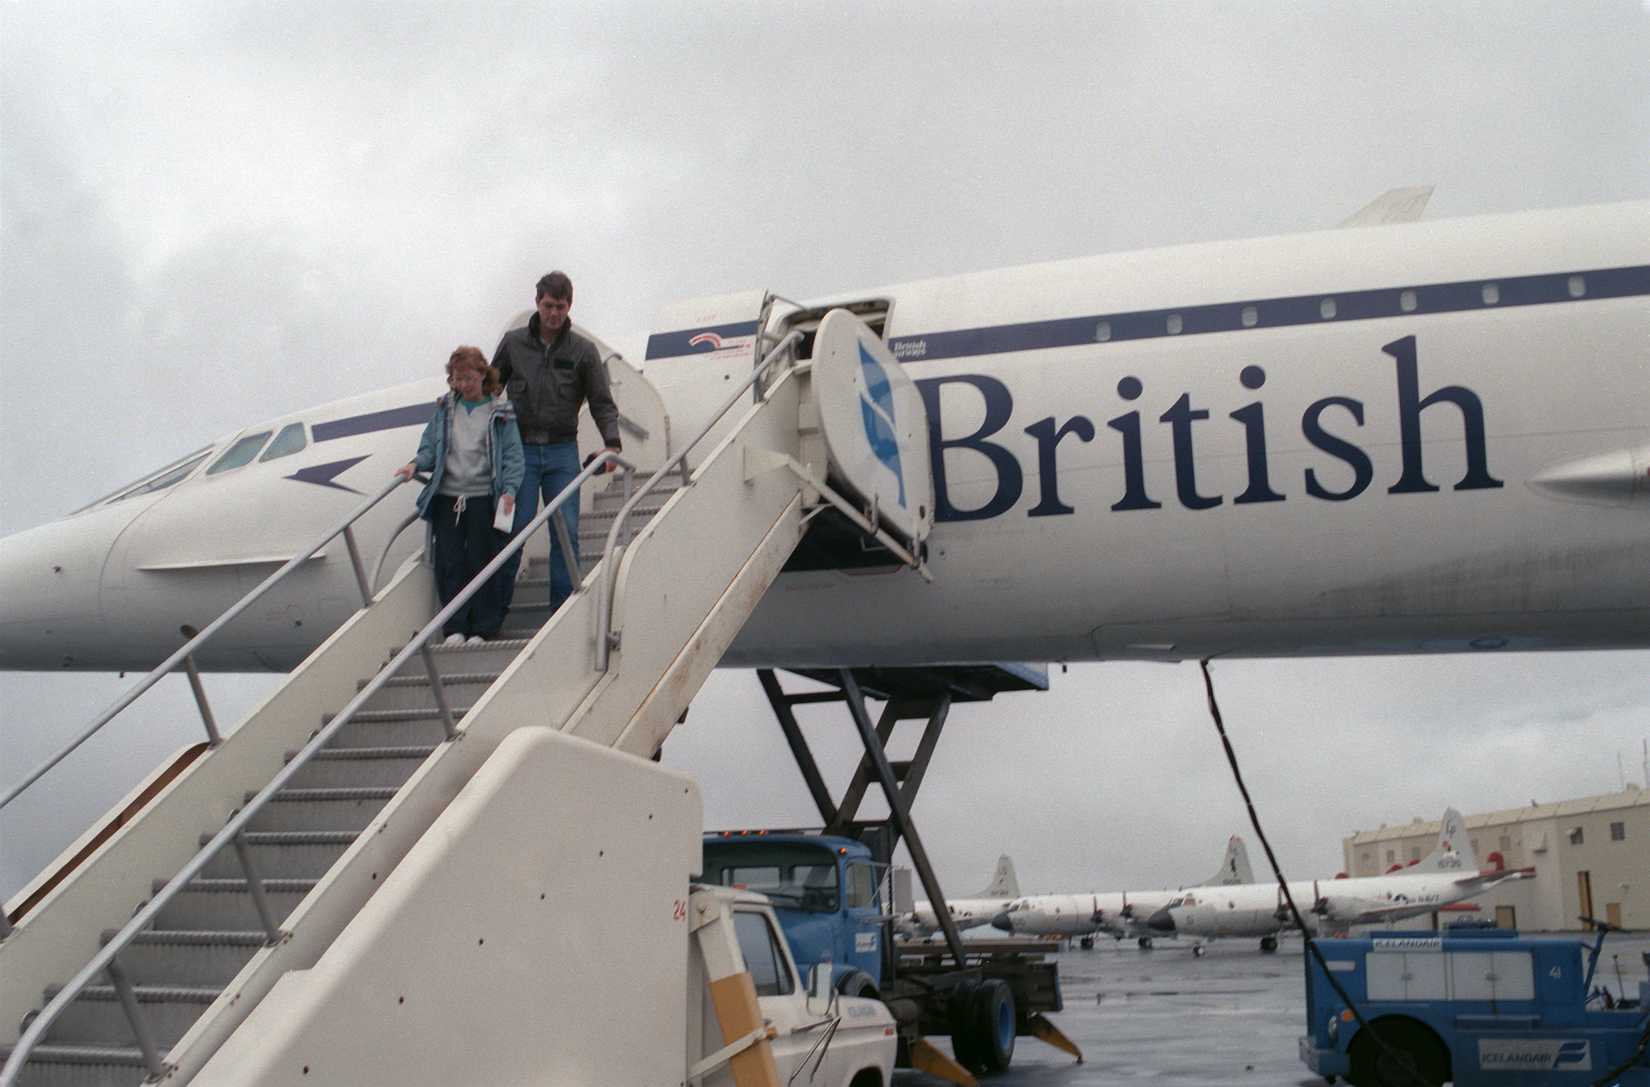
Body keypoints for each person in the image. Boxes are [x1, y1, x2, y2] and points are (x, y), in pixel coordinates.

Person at [492, 270, 621, 613]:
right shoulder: (513, 343)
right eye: (548, 306)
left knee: (565, 531)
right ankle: (493, 615)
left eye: (560, 307)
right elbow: (490, 391)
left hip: (562, 451)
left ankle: (562, 614)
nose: (554, 314)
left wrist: (612, 444)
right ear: (537, 303)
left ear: (569, 307)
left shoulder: (583, 352)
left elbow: (601, 402)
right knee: (512, 530)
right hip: (520, 452)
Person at [396, 347, 525, 646]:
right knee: (450, 563)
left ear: (482, 374)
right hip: (448, 497)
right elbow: (430, 447)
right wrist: (414, 465)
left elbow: (513, 457)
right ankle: (454, 627)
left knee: (483, 561)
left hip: (483, 496)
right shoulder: (443, 410)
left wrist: (510, 491)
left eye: (468, 378)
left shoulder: (500, 412)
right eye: (457, 379)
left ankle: (482, 628)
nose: (463, 384)